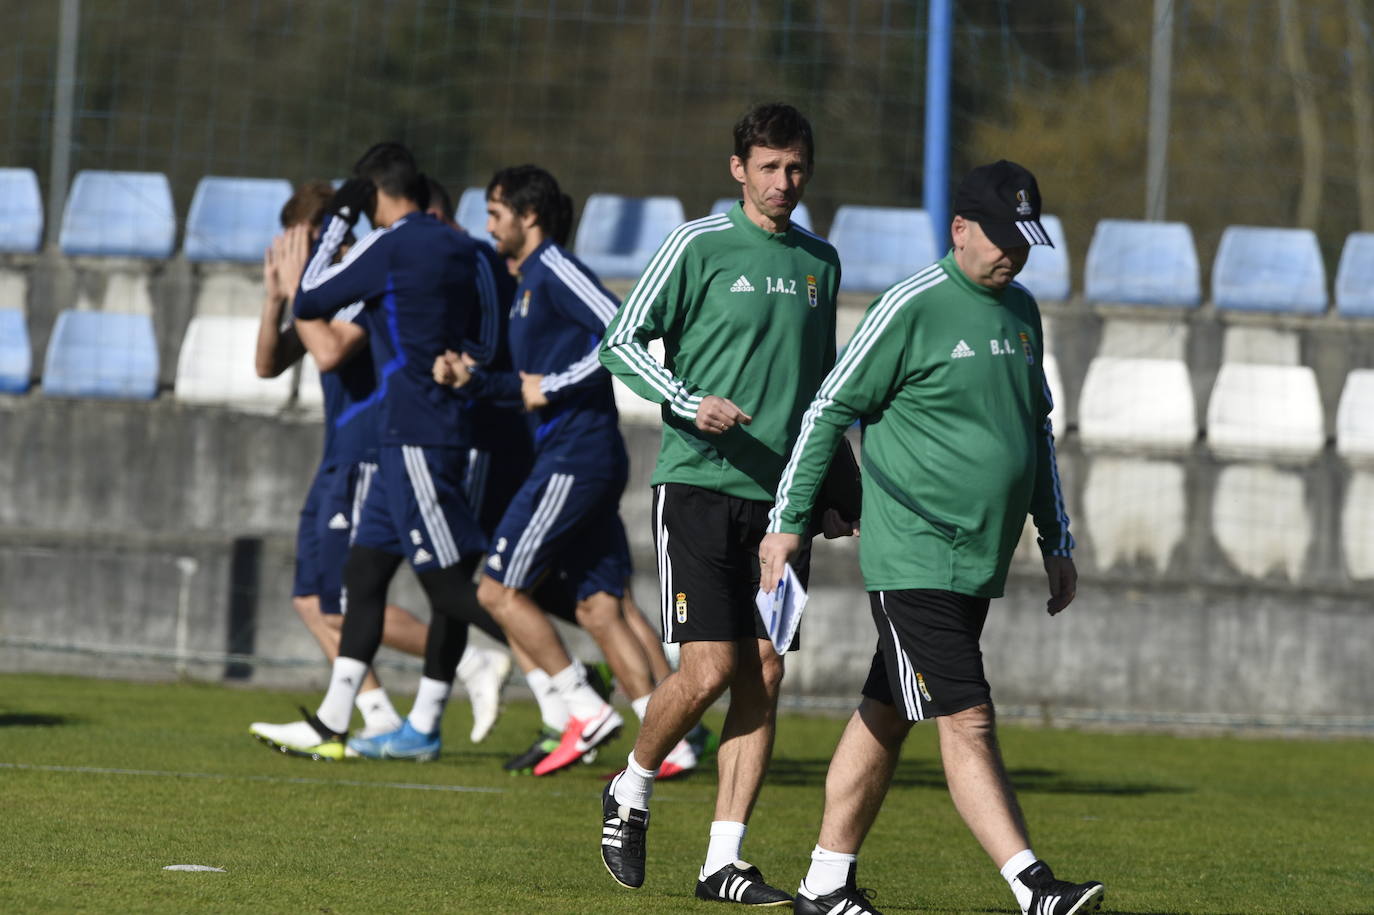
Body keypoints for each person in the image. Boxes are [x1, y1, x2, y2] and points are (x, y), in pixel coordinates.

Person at [757, 160, 1104, 915]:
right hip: (913, 552)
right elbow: (825, 411)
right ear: (960, 229)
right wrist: (787, 523)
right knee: (966, 714)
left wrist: (1056, 537)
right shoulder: (910, 306)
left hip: (978, 558)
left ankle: (825, 882)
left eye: (1025, 239)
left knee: (888, 708)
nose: (1014, 252)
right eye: (1002, 236)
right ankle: (1034, 887)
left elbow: (1034, 431)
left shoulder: (1023, 311)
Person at [595, 102, 844, 904]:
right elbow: (621, 340)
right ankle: (630, 786)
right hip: (699, 484)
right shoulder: (697, 245)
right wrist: (686, 398)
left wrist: (835, 486)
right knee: (709, 666)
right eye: (769, 166)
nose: (784, 181)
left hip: (778, 507)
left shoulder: (821, 263)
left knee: (763, 670)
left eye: (796, 166)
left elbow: (823, 390)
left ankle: (722, 862)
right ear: (739, 169)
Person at [433, 165, 701, 779]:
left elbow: (619, 332)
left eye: (496, 212)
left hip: (576, 457)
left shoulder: (556, 270)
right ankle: (674, 744)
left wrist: (551, 385)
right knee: (600, 607)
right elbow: (529, 388)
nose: (488, 224)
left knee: (496, 589)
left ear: (528, 217)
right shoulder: (528, 280)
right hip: (577, 454)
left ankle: (583, 708)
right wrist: (475, 380)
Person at [249, 141, 508, 762]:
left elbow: (333, 349)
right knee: (325, 595)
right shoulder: (344, 280)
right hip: (340, 451)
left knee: (383, 587)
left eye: (300, 240)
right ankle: (356, 719)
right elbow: (268, 363)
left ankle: (512, 661)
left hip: (377, 449)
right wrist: (276, 295)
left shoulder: (378, 276)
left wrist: (304, 283)